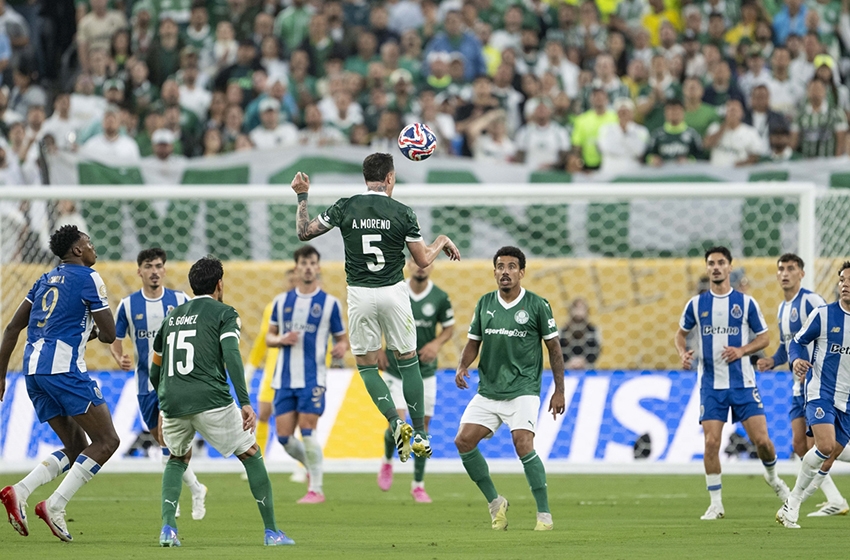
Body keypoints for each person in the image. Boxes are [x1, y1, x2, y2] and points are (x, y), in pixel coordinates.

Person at [290, 152, 460, 465]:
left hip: (360, 294)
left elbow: (304, 232)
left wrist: (302, 195)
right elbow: (423, 260)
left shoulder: (345, 206)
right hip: (394, 292)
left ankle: (395, 423)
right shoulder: (402, 212)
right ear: (390, 177)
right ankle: (420, 434)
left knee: (367, 366)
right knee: (408, 361)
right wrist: (442, 240)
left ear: (365, 178)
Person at [150, 256, 293, 547]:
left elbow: (155, 370)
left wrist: (165, 403)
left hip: (172, 399)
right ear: (219, 284)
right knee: (251, 453)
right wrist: (245, 401)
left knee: (177, 458)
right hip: (209, 398)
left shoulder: (171, 317)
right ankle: (272, 532)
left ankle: (168, 529)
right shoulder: (225, 313)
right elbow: (231, 355)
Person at [0, 225, 120, 542]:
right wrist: (97, 331)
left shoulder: (43, 280)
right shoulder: (89, 278)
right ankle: (54, 505)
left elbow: (11, 329)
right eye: (88, 243)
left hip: (33, 373)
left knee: (78, 446)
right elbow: (109, 334)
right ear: (77, 250)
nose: (93, 248)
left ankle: (19, 490)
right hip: (63, 370)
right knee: (107, 441)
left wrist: (0, 375)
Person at [674, 246, 789, 520]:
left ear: (729, 267)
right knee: (711, 442)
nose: (716, 267)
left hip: (743, 384)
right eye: (711, 263)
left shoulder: (746, 303)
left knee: (762, 441)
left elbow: (764, 338)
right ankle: (716, 504)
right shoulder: (696, 304)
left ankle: (773, 478)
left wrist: (741, 350)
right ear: (707, 268)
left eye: (721, 263)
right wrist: (683, 353)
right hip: (711, 385)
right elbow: (680, 335)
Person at [455, 246, 565, 531]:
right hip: (489, 389)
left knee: (523, 443)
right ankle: (496, 502)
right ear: (494, 272)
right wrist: (462, 365)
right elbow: (474, 342)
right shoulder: (484, 303)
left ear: (522, 272)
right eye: (500, 267)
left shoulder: (537, 305)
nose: (505, 272)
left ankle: (544, 515)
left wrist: (559, 390)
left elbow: (554, 348)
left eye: (512, 267)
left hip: (523, 389)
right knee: (463, 441)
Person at [109, 248, 208, 520]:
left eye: (158, 266)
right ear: (139, 271)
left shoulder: (181, 300)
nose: (154, 271)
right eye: (148, 266)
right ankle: (197, 488)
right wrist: (119, 356)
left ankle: (172, 501)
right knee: (168, 445)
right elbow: (115, 339)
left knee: (167, 443)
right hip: (144, 386)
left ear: (164, 270)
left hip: (175, 384)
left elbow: (199, 333)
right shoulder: (128, 305)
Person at [756, 253, 847, 516]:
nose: (785, 273)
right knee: (800, 445)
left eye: (791, 268)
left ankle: (813, 500)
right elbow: (789, 345)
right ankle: (834, 499)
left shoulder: (812, 301)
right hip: (800, 384)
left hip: (818, 384)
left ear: (801, 273)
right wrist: (773, 360)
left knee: (821, 446)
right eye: (781, 269)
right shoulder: (783, 308)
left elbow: (830, 331)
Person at [266, 245, 348, 504]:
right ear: (297, 268)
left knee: (308, 430)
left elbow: (342, 339)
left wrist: (340, 348)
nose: (309, 268)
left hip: (313, 378)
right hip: (284, 378)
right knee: (284, 438)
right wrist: (281, 339)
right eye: (304, 263)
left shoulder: (329, 304)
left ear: (318, 267)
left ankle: (316, 489)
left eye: (312, 263)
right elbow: (269, 337)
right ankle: (312, 467)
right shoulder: (281, 302)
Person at [777, 261, 850, 528]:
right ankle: (793, 503)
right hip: (821, 391)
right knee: (825, 446)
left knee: (830, 456)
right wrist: (796, 360)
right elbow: (797, 342)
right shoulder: (823, 314)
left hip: (847, 399)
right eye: (842, 280)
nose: (845, 285)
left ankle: (797, 502)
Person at [377, 259, 455, 502]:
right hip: (396, 369)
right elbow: (377, 317)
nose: (422, 266)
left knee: (423, 429)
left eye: (427, 262)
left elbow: (449, 328)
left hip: (425, 372)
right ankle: (387, 460)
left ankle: (418, 485)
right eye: (417, 261)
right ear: (409, 264)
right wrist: (378, 347)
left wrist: (435, 344)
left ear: (432, 266)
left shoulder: (440, 297)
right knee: (399, 426)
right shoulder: (394, 291)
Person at [245, 269, 295, 459]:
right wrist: (251, 367)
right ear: (285, 282)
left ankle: (302, 467)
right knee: (263, 413)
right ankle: (260, 460)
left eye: (296, 281)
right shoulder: (273, 307)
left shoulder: (309, 307)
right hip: (273, 370)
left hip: (297, 371)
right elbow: (262, 340)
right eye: (290, 280)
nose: (293, 284)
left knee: (300, 418)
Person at [559, 297, 601, 370]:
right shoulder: (563, 331)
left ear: (587, 311)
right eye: (576, 308)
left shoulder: (593, 331)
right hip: (567, 368)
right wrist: (569, 362)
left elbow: (596, 350)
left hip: (588, 368)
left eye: (582, 309)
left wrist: (584, 362)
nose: (579, 312)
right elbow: (558, 350)